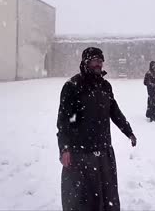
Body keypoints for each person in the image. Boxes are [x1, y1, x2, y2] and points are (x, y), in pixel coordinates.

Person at [57, 47, 137, 211]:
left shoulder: (105, 86)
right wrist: (64, 148)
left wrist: (128, 131)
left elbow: (114, 111)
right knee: (83, 198)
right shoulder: (72, 86)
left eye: (100, 61)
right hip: (81, 152)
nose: (98, 64)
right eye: (95, 61)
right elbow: (64, 121)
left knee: (106, 195)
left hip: (103, 149)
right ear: (86, 62)